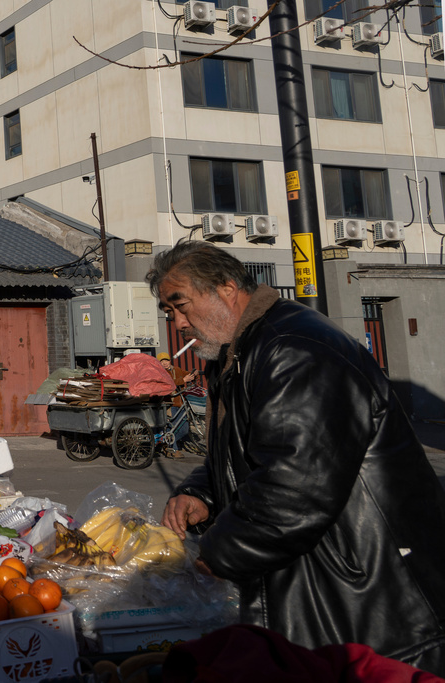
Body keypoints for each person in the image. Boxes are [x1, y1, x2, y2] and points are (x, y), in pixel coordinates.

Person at [145, 240, 445, 675]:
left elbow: (294, 486)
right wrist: (202, 491)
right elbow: (249, 452)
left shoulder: (294, 350)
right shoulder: (238, 352)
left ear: (227, 288)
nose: (178, 323)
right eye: (169, 312)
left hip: (368, 591)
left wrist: (218, 552)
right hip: (317, 576)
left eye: (181, 305)